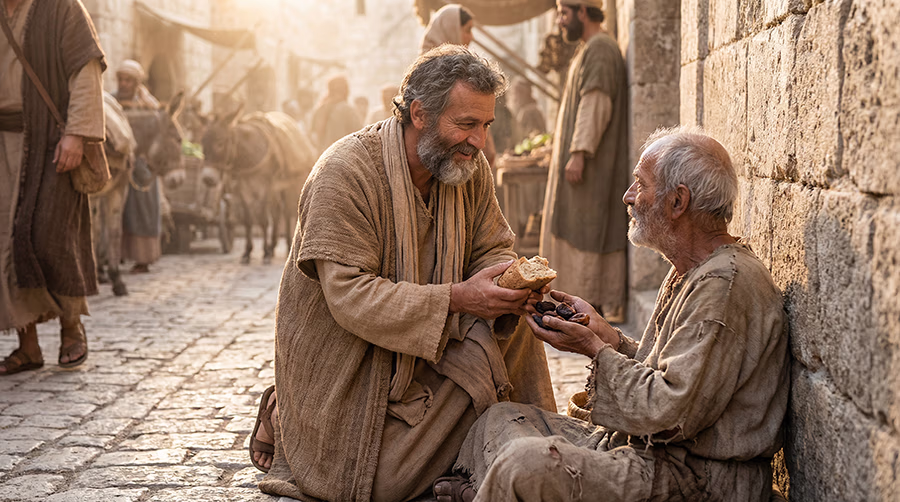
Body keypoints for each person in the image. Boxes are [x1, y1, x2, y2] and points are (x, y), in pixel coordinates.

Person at [252, 45, 556, 502]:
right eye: (467, 124)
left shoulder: (469, 170)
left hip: (427, 351)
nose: (479, 141)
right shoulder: (345, 172)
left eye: (486, 126)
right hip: (355, 366)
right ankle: (289, 412)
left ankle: (532, 453)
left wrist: (509, 284)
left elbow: (491, 247)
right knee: (386, 484)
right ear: (419, 114)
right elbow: (350, 295)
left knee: (518, 325)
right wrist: (457, 299)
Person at [438, 127, 791, 502]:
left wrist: (594, 349)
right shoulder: (691, 269)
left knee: (526, 465)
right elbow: (669, 373)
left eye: (640, 184)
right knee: (499, 419)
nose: (628, 196)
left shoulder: (725, 285)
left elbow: (669, 413)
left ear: (677, 202)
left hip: (694, 479)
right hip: (652, 454)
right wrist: (611, 338)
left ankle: (486, 490)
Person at [0, 0, 105, 374]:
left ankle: (70, 326)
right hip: (3, 142)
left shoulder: (61, 7)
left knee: (51, 236)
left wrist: (77, 134)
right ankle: (26, 345)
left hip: (51, 140)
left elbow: (86, 71)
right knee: (5, 243)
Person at [540, 0, 630, 322]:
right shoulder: (589, 48)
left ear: (582, 12)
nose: (560, 21)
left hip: (592, 169)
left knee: (589, 229)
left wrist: (579, 151)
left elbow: (596, 101)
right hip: (585, 167)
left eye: (564, 13)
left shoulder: (601, 48)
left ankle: (590, 304)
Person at [419, 4, 497, 167]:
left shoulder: (460, 66)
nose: (470, 37)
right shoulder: (430, 70)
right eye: (467, 30)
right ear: (452, 29)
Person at [113, 59, 163, 274]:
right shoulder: (112, 101)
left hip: (141, 165)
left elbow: (158, 134)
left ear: (136, 83)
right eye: (121, 79)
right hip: (117, 162)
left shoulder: (148, 105)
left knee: (142, 210)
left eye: (128, 80)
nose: (124, 84)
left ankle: (143, 259)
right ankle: (114, 257)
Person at [309, 74, 362, 153]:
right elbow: (359, 136)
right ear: (346, 90)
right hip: (343, 156)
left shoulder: (320, 108)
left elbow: (312, 135)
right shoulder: (347, 109)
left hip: (323, 156)